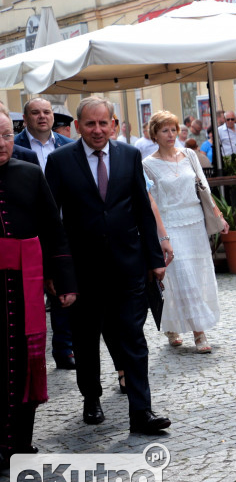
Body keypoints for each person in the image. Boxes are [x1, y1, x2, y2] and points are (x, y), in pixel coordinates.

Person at [45, 96, 171, 434]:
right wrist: (56, 272)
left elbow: (143, 210)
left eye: (104, 123)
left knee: (133, 337)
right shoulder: (59, 161)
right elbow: (51, 222)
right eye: (90, 124)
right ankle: (91, 396)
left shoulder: (129, 156)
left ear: (113, 124)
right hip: (82, 269)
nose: (98, 130)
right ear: (78, 127)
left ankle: (141, 412)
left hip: (127, 265)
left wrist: (155, 258)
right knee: (86, 339)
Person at [0, 111, 77, 468]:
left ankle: (19, 441)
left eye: (5, 136)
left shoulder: (30, 172)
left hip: (23, 282)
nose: (1, 144)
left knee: (23, 360)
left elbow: (53, 230)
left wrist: (63, 279)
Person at [143, 111, 228, 354]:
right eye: (164, 131)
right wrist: (160, 235)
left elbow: (204, 187)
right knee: (180, 275)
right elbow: (151, 203)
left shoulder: (189, 155)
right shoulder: (147, 165)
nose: (171, 135)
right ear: (155, 135)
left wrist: (218, 216)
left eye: (173, 129)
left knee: (197, 274)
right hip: (170, 224)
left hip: (195, 222)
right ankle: (199, 332)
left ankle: (172, 325)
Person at [14, 97, 75, 370]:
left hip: (58, 228)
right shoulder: (12, 146)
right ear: (25, 119)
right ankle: (26, 351)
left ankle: (64, 349)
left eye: (47, 112)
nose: (42, 117)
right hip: (24, 231)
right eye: (36, 113)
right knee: (27, 294)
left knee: (61, 287)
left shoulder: (68, 146)